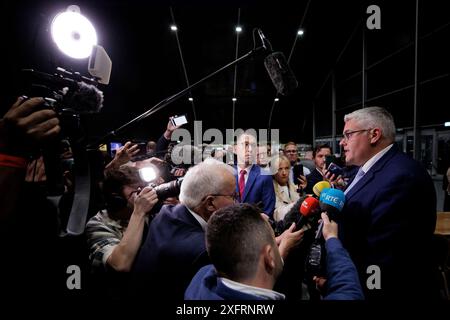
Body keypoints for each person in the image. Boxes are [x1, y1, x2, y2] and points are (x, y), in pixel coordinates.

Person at [338, 106, 438, 300]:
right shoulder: (368, 170)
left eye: (348, 134)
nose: (342, 142)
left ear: (374, 135)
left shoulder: (401, 177)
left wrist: (349, 284)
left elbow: (383, 258)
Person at [185, 204, 364, 300]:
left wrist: (271, 243)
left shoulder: (200, 279)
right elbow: (348, 291)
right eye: (274, 236)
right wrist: (332, 239)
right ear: (270, 257)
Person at [132, 159, 238, 300]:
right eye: (233, 196)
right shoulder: (202, 252)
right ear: (210, 203)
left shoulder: (166, 213)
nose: (236, 203)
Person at [86, 166, 158, 273]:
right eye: (137, 192)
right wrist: (139, 212)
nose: (144, 196)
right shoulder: (97, 224)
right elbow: (119, 264)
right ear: (117, 200)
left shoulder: (152, 213)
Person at [234, 131, 275, 217]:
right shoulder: (226, 173)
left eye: (253, 146)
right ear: (235, 149)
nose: (250, 149)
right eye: (245, 144)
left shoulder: (265, 176)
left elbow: (268, 212)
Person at [272, 155, 306, 221]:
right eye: (280, 169)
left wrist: (303, 192)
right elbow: (278, 215)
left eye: (286, 168)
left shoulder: (295, 187)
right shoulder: (270, 189)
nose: (284, 173)